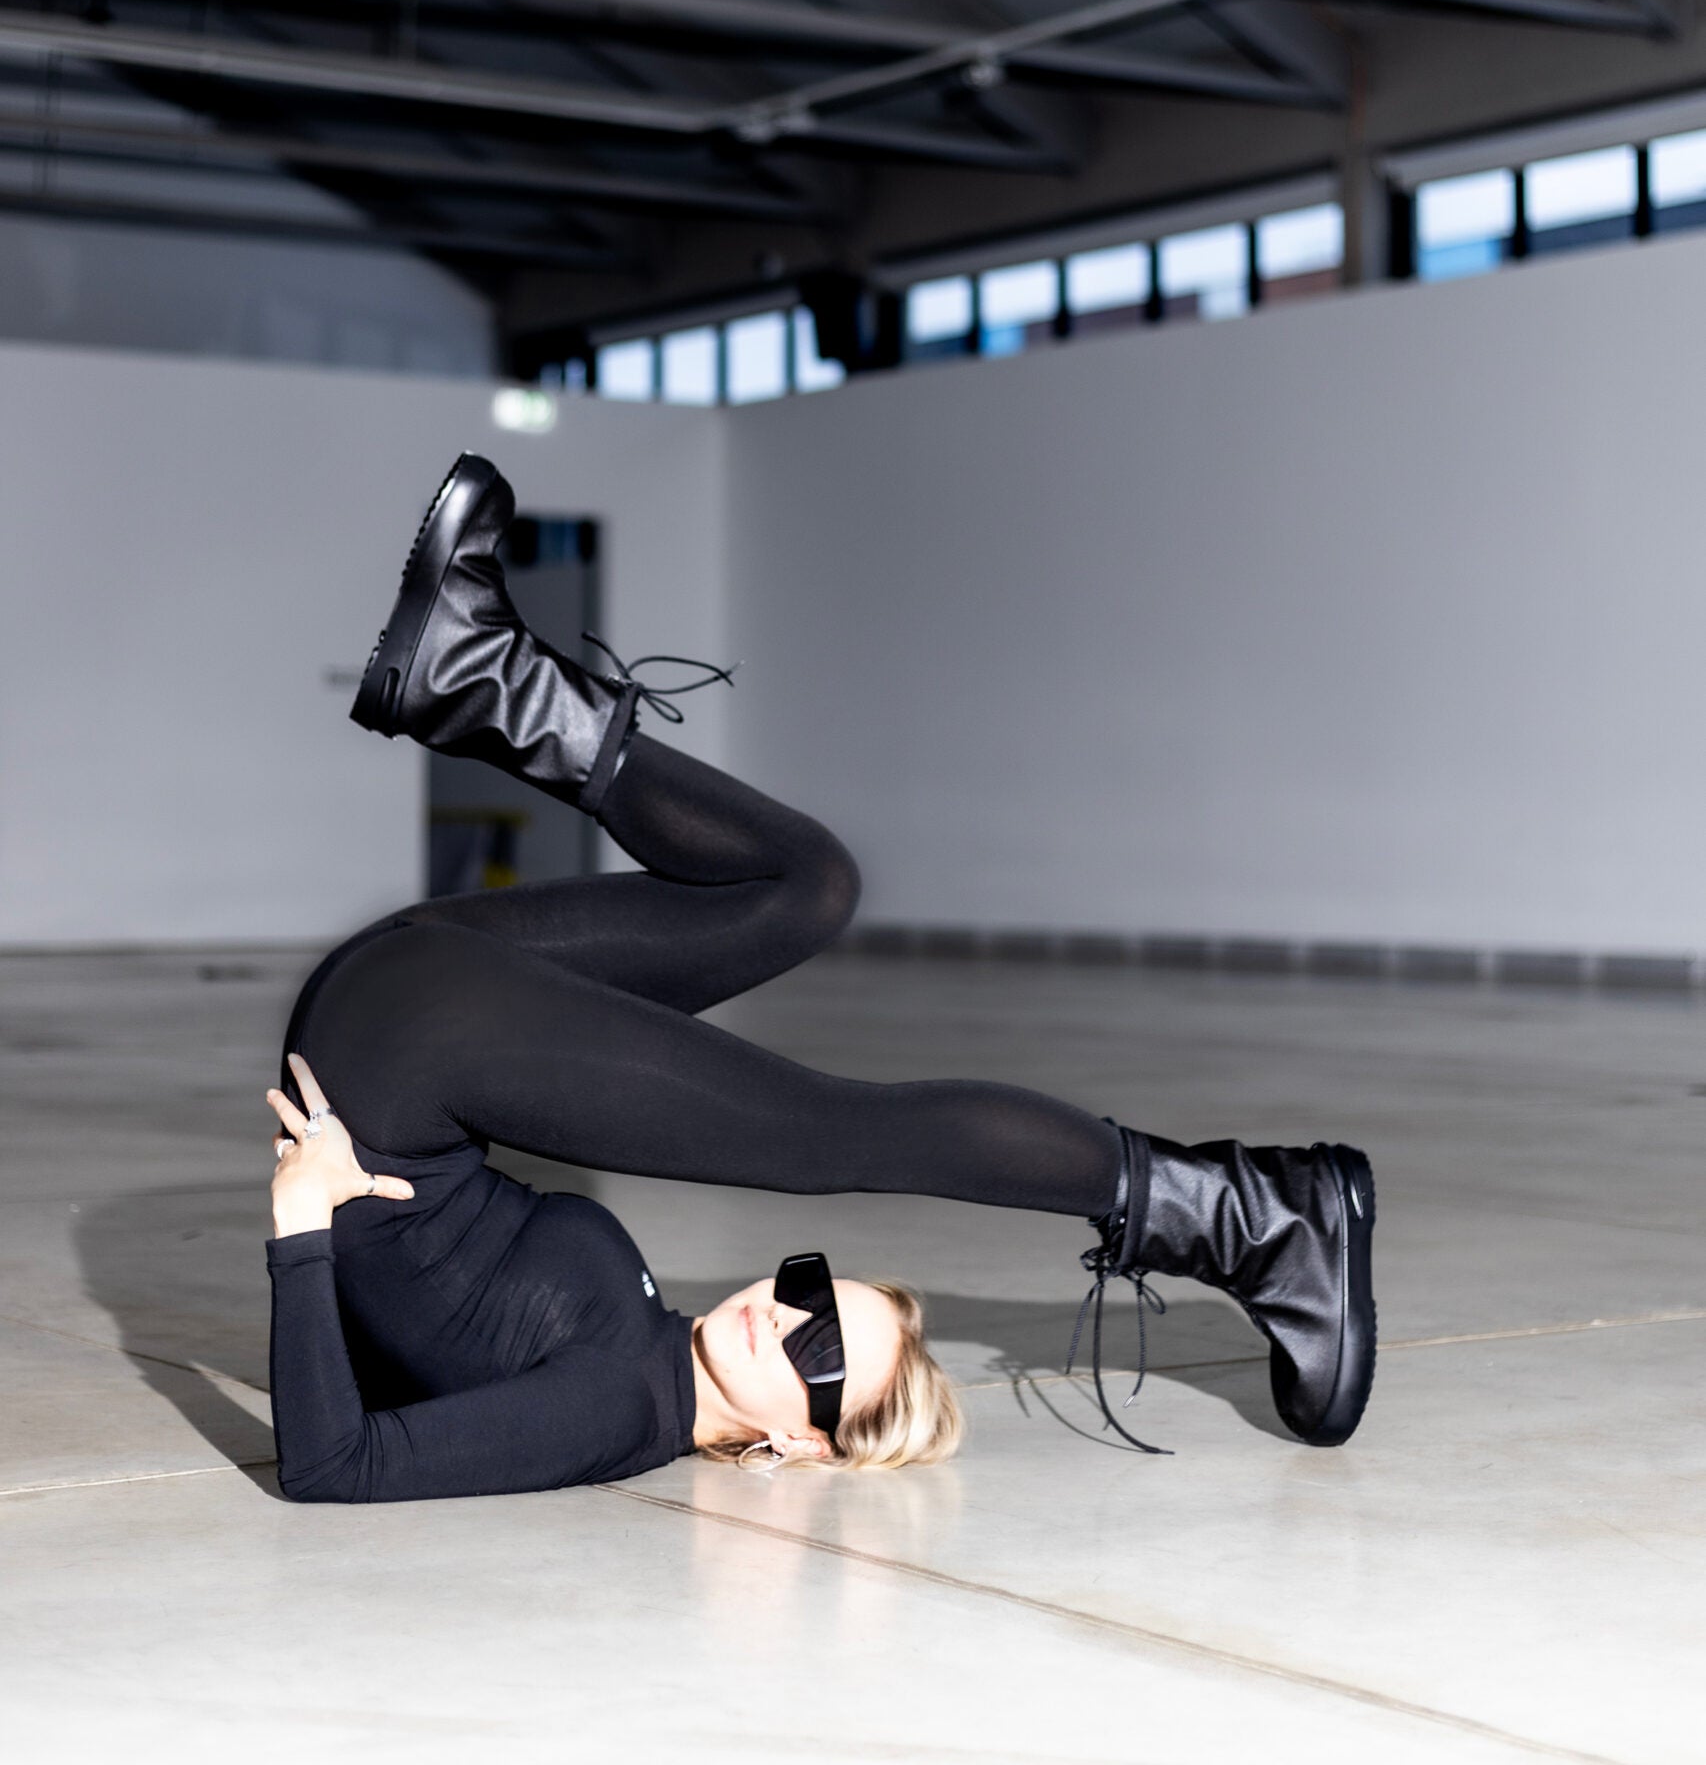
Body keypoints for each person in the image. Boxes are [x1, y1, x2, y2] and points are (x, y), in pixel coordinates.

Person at [265, 454, 1377, 1504]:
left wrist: (304, 1227)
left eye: (822, 1354)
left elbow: (334, 1464)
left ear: (802, 1445)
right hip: (408, 1014)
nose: (784, 1315)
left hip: (397, 1053)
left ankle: (1249, 1217)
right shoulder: (650, 1341)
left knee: (837, 1132)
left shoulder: (615, 1410)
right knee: (806, 886)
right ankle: (487, 678)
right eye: (813, 1290)